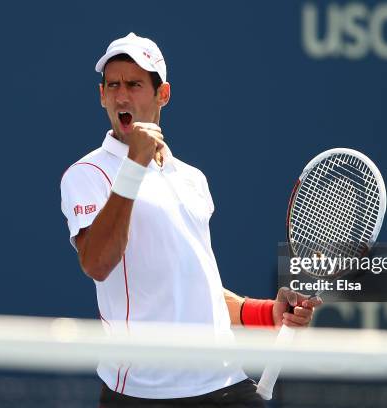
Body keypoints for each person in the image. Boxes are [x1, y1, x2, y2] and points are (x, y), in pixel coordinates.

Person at [60, 32, 322, 407]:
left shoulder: (192, 178)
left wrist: (265, 312)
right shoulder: (86, 175)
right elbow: (98, 263)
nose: (121, 96)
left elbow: (197, 290)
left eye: (134, 85)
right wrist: (135, 164)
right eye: (112, 85)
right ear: (101, 95)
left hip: (225, 381)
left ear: (162, 94)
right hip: (143, 393)